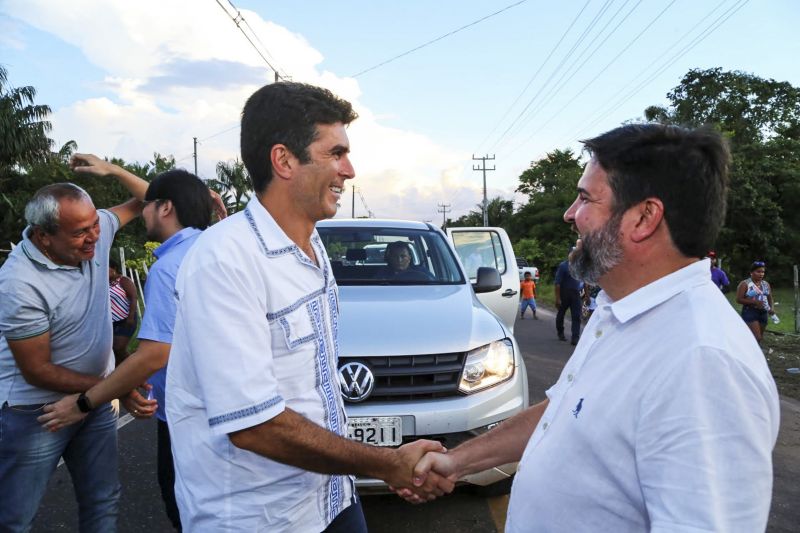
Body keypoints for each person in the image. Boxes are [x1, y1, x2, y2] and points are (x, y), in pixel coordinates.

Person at [405, 124, 780, 532]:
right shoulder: (616, 310)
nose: (569, 214)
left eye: (585, 198)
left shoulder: (703, 362)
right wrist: (457, 461)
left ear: (643, 218)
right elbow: (565, 412)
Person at [163, 82, 450, 532]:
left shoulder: (312, 244)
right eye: (335, 153)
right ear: (284, 160)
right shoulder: (224, 260)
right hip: (259, 517)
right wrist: (387, 463)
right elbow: (254, 425)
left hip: (330, 497)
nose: (349, 170)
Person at [38, 169, 222, 531]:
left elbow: (155, 353)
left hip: (189, 419)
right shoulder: (215, 248)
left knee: (186, 510)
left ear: (166, 208)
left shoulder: (169, 268)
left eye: (149, 206)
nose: (143, 212)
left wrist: (83, 402)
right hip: (218, 410)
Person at [0, 154, 149, 532]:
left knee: (103, 501)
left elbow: (155, 198)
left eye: (96, 225)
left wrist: (114, 169)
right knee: (15, 517)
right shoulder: (20, 283)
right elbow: (37, 370)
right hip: (35, 412)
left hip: (94, 401)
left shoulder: (93, 237)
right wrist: (117, 386)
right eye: (81, 232)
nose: (95, 238)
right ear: (44, 236)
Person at [736, 261, 776, 343]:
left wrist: (771, 308)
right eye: (758, 272)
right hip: (750, 312)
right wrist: (754, 302)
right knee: (756, 337)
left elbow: (770, 298)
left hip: (763, 312)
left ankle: (755, 353)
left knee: (759, 338)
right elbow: (739, 299)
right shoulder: (745, 284)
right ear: (751, 272)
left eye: (763, 272)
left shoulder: (765, 284)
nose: (761, 274)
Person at [108, 257, 138, 365]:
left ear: (114, 268)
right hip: (112, 322)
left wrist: (130, 317)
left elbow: (134, 297)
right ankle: (121, 374)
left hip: (126, 319)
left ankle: (136, 366)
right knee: (113, 351)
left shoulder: (123, 280)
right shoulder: (104, 284)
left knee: (118, 347)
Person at [554, 247, 583, 344]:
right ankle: (560, 332)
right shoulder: (563, 266)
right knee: (561, 313)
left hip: (576, 294)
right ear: (569, 254)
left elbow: (584, 281)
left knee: (576, 315)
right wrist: (557, 299)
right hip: (564, 293)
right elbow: (557, 283)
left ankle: (575, 337)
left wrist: (587, 295)